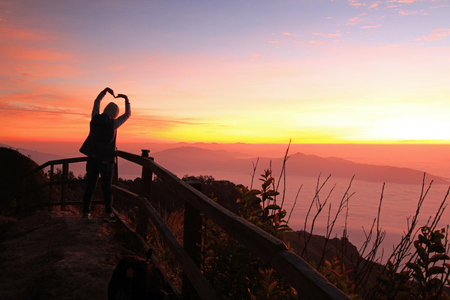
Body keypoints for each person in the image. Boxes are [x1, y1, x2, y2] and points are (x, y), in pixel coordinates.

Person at [80, 87, 131, 221]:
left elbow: (96, 102)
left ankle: (86, 212)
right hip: (106, 162)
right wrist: (126, 100)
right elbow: (127, 115)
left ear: (105, 110)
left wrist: (105, 92)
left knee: (90, 186)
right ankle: (108, 214)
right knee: (106, 189)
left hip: (92, 159)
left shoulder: (95, 118)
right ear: (114, 114)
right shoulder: (114, 123)